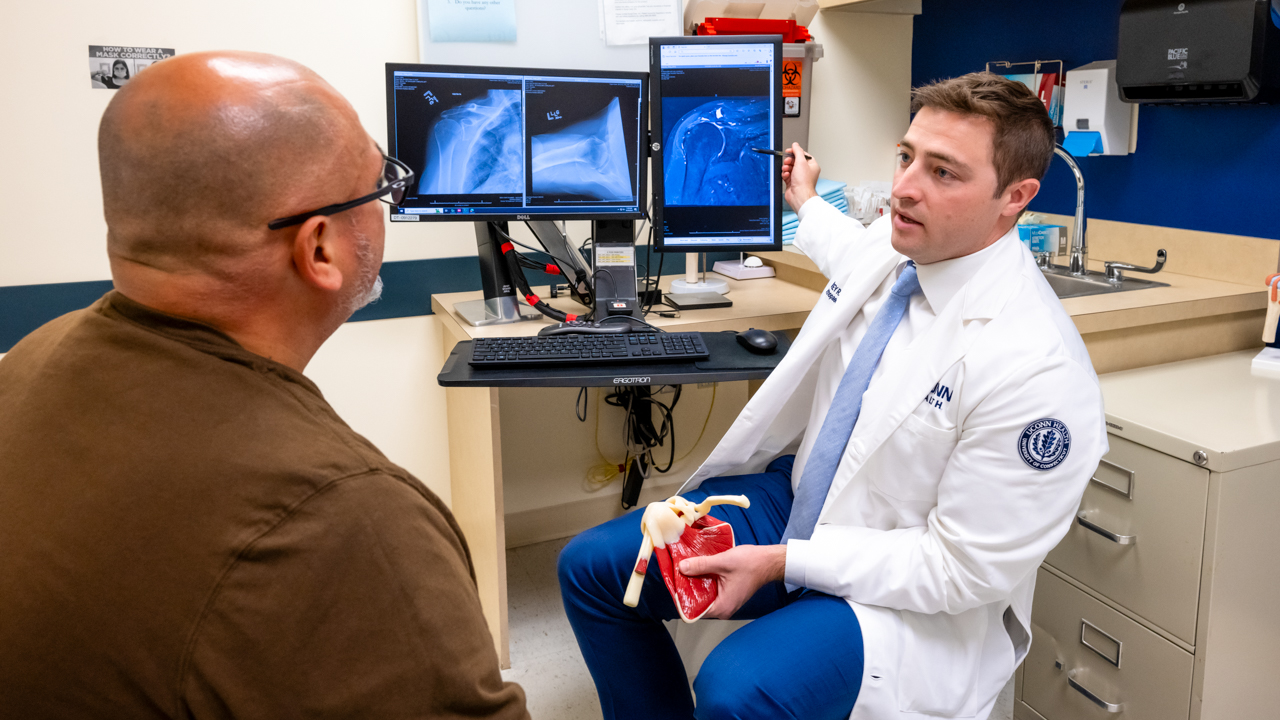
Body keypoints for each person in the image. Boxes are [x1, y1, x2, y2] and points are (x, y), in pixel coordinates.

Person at [558, 72, 1107, 720]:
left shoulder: (1035, 367)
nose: (905, 188)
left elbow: (961, 568)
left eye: (943, 172)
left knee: (737, 688)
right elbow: (841, 241)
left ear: (1016, 196)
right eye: (906, 157)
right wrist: (806, 197)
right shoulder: (898, 246)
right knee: (592, 568)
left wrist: (787, 561)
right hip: (802, 500)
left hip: (902, 583)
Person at [0, 51, 528, 720]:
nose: (388, 206)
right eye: (382, 188)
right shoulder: (343, 519)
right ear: (319, 249)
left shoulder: (31, 358)